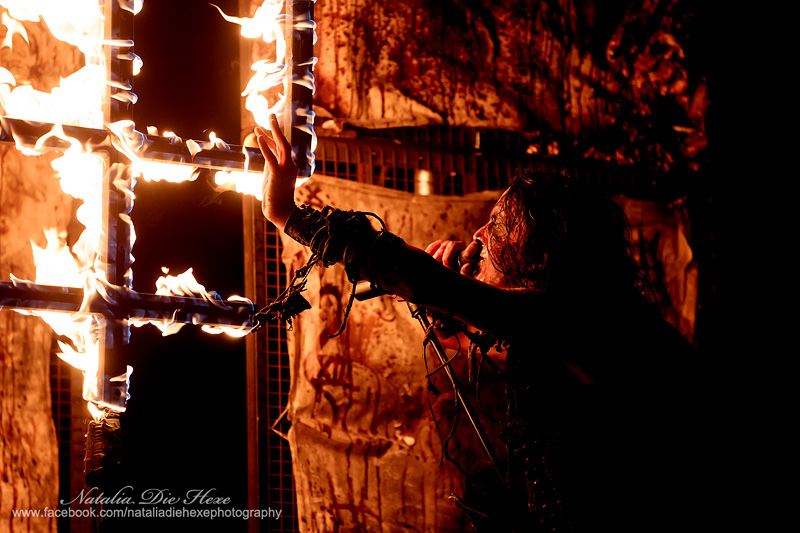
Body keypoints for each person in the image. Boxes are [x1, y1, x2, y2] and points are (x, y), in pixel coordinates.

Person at [256, 114, 697, 532]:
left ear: (541, 256)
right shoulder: (556, 330)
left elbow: (429, 283)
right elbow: (481, 335)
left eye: (498, 225)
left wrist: (289, 216)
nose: (479, 236)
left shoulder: (596, 318)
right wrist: (453, 317)